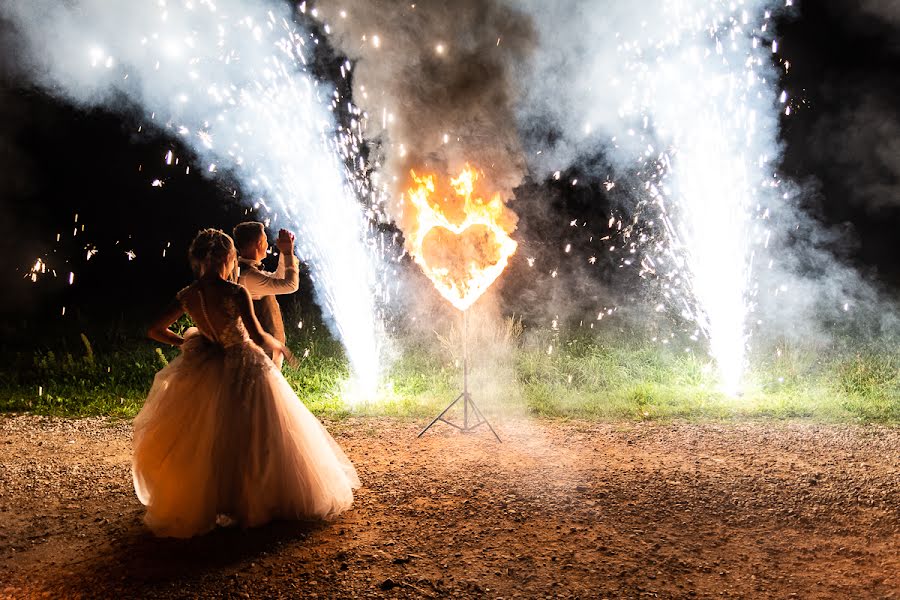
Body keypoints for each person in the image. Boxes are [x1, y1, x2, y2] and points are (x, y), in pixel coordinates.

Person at [133, 228, 359, 538]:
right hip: (243, 363)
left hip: (207, 364)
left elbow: (155, 329)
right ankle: (255, 499)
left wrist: (186, 343)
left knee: (208, 434)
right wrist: (275, 344)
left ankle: (213, 498)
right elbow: (254, 333)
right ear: (228, 257)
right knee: (255, 432)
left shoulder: (188, 295)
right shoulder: (233, 292)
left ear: (198, 259)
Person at [233, 222, 299, 368]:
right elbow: (290, 285)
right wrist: (288, 253)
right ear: (258, 243)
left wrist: (284, 254)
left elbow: (278, 279)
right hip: (262, 351)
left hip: (268, 349)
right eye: (265, 239)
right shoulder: (248, 276)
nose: (268, 243)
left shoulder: (249, 271)